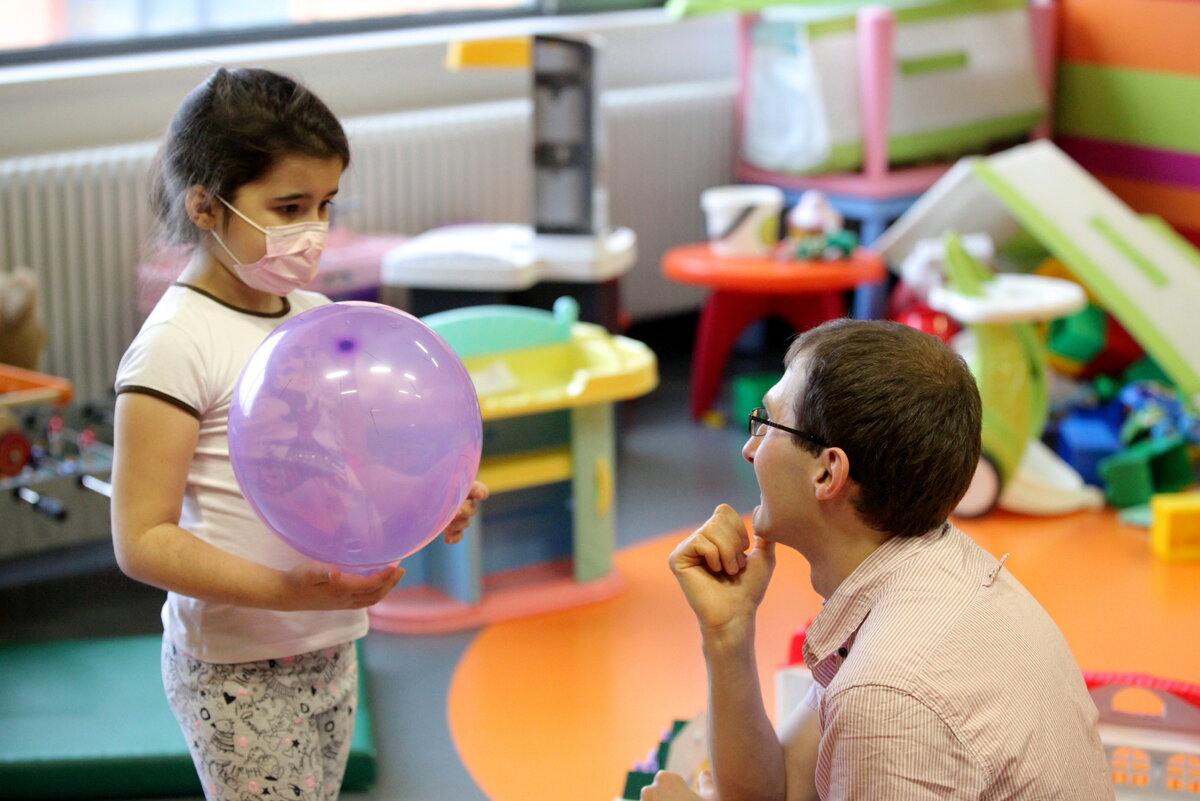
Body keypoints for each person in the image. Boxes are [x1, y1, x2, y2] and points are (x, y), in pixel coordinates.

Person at [110, 66, 488, 801]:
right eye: (288, 205)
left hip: (330, 643)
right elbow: (141, 538)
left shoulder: (315, 316)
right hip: (236, 667)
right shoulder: (175, 344)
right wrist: (284, 592)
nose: (313, 229)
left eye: (324, 203)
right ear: (206, 206)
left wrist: (430, 497)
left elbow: (346, 469)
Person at [643, 319, 1113, 801]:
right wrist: (728, 633)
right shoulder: (934, 568)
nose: (749, 448)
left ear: (828, 472)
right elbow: (781, 789)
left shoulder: (887, 693)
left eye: (768, 422)